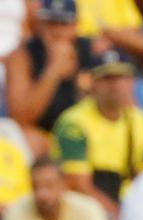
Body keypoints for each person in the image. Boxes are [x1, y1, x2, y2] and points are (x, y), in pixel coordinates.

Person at [50, 49, 143, 212]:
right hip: (86, 205)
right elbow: (78, 184)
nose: (115, 85)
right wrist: (116, 216)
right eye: (107, 78)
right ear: (93, 83)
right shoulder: (74, 122)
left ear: (131, 82)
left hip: (127, 199)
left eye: (121, 77)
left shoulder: (141, 121)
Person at [4, 0, 94, 156]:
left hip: (83, 133)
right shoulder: (23, 55)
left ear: (75, 25)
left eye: (63, 24)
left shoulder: (92, 51)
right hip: (43, 135)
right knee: (23, 137)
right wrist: (53, 72)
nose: (57, 31)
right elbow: (20, 118)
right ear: (40, 25)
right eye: (51, 23)